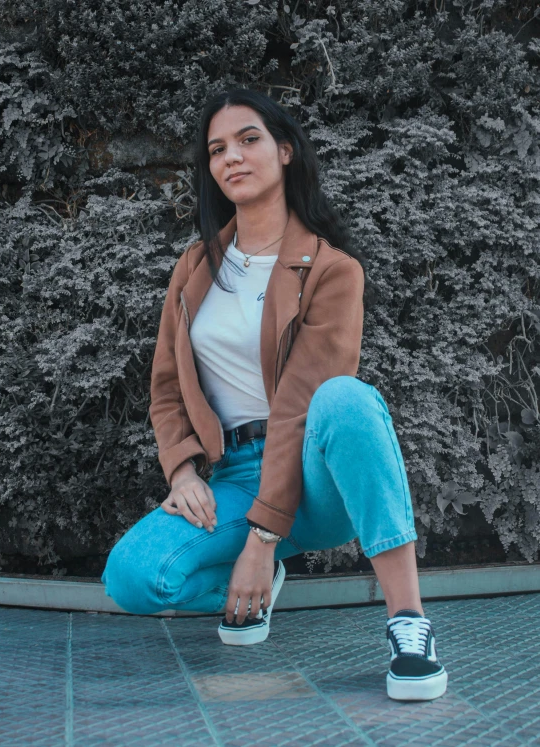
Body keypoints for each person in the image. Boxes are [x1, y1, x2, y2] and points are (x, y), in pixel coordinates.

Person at [101, 88, 448, 702]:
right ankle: (263, 580)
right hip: (232, 477)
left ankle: (408, 624)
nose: (232, 156)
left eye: (249, 139)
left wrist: (261, 538)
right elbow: (164, 388)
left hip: (314, 476)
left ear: (285, 151)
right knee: (132, 577)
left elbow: (298, 405)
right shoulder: (194, 269)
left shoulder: (332, 269)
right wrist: (182, 469)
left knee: (346, 399)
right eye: (217, 149)